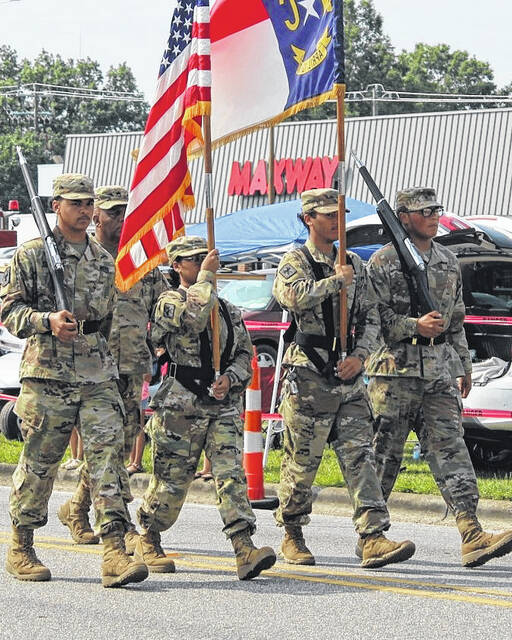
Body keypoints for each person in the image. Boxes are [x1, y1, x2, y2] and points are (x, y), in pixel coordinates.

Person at [1, 174, 147, 587]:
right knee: (40, 463)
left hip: (97, 372)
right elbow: (8, 311)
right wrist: (44, 320)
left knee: (108, 459)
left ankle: (114, 551)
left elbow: (108, 318)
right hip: (48, 373)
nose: (84, 211)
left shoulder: (102, 259)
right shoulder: (32, 255)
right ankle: (22, 543)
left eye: (88, 204)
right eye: (75, 203)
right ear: (56, 207)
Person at [366, 186, 512, 567]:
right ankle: (371, 535)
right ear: (403, 217)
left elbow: (457, 320)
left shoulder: (448, 261)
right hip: (394, 374)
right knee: (384, 455)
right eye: (424, 210)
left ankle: (471, 531)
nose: (433, 215)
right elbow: (373, 322)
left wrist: (463, 364)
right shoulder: (382, 263)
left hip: (438, 372)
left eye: (436, 209)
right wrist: (413, 324)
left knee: (451, 449)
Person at [272, 188, 415, 568]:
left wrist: (360, 357)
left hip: (349, 377)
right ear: (308, 219)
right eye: (327, 215)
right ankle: (292, 530)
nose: (336, 221)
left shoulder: (353, 262)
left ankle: (372, 535)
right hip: (309, 374)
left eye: (339, 215)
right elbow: (291, 296)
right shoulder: (296, 260)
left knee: (360, 456)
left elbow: (371, 316)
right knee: (302, 462)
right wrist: (335, 281)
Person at [135, 236, 276, 580]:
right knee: (172, 480)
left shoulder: (227, 308)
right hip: (181, 402)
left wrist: (231, 377)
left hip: (221, 404)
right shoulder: (168, 301)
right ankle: (149, 538)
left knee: (231, 474)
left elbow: (245, 353)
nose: (204, 262)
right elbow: (193, 318)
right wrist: (206, 280)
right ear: (178, 265)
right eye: (195, 259)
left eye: (207, 257)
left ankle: (244, 547)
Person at [58, 185, 168, 554]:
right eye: (114, 212)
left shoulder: (142, 261)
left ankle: (77, 508)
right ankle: (120, 525)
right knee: (105, 445)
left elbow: (162, 307)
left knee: (118, 446)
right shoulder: (85, 258)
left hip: (131, 364)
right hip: (92, 366)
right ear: (98, 216)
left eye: (127, 212)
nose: (121, 219)